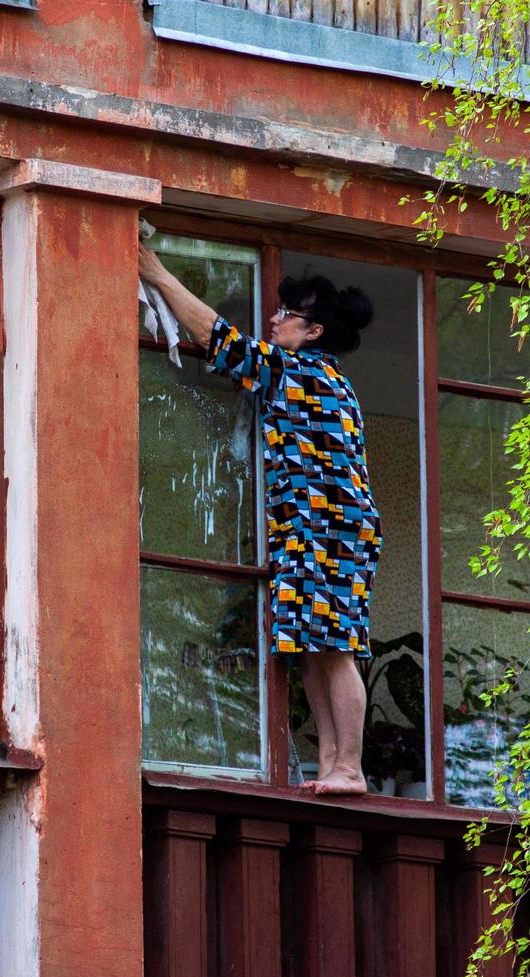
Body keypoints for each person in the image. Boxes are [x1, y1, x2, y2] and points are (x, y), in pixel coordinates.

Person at [139, 243, 382, 796]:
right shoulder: (311, 375)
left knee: (335, 643)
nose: (273, 319)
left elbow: (215, 337)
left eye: (286, 314)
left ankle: (349, 765)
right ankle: (332, 764)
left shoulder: (302, 371)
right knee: (312, 646)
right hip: (310, 528)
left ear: (313, 332)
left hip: (330, 530)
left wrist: (156, 272)